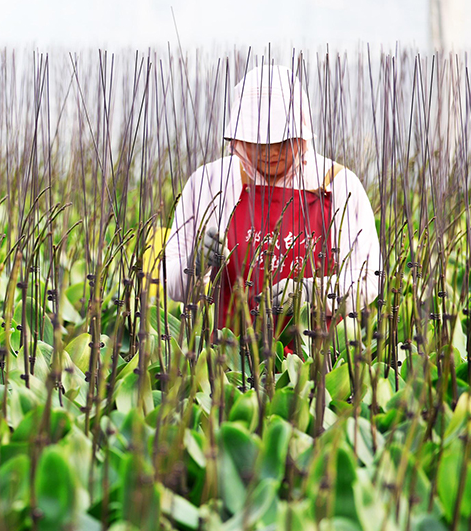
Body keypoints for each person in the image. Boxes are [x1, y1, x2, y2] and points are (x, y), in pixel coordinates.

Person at [163, 63, 381, 344]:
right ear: (239, 138)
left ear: (302, 135)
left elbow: (369, 279)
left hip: (314, 361)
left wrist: (309, 292)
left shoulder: (339, 184)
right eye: (258, 142)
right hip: (230, 360)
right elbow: (171, 283)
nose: (270, 152)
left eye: (281, 141)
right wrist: (196, 263)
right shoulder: (209, 182)